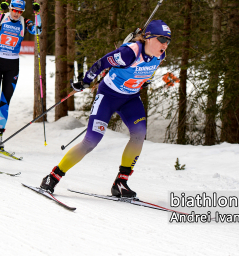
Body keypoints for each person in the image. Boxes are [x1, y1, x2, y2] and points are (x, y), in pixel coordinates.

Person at [40, 20, 172, 198]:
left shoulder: (160, 55)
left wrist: (144, 81)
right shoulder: (129, 52)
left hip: (130, 98)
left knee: (139, 134)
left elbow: (148, 72)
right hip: (108, 96)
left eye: (168, 41)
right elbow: (101, 63)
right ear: (148, 38)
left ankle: (120, 182)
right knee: (91, 141)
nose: (165, 44)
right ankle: (52, 177)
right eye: (162, 39)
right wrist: (87, 80)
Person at [0, 0, 41, 151]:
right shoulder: (1, 18)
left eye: (19, 11)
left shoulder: (24, 21)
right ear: (10, 8)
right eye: (14, 10)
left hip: (12, 65)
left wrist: (37, 14)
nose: (16, 13)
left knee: (5, 104)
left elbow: (37, 30)